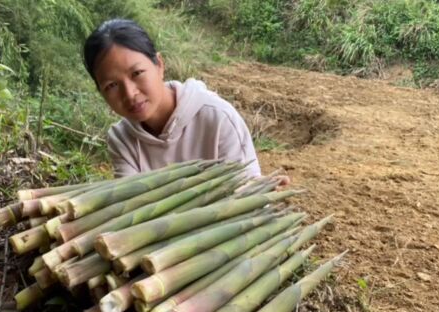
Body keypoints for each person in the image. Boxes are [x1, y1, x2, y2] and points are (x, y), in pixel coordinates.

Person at [83, 18, 289, 186]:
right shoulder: (121, 139)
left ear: (159, 65)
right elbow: (129, 208)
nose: (130, 93)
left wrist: (259, 189)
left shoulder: (218, 118)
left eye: (137, 73)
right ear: (100, 91)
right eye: (111, 85)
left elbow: (244, 194)